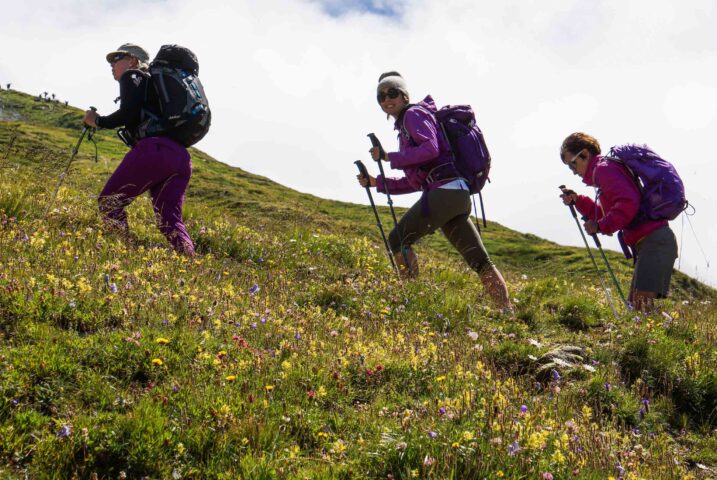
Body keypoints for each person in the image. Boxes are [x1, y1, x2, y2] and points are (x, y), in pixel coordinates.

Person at [357, 72, 512, 312]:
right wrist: (376, 182)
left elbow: (430, 149)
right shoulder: (410, 123)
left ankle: (412, 301)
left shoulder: (413, 114)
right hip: (455, 194)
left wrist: (389, 156)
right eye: (381, 96)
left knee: (398, 239)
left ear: (404, 95)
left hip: (444, 193)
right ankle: (506, 311)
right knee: (479, 259)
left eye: (392, 92)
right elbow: (415, 181)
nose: (387, 99)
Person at [83, 43, 195, 256]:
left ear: (133, 61)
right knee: (168, 218)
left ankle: (122, 254)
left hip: (154, 150)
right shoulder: (157, 87)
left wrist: (97, 120)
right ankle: (191, 264)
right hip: (180, 156)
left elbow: (128, 113)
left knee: (109, 202)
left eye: (117, 58)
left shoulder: (133, 75)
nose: (112, 64)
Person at [559, 132, 678, 312]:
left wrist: (600, 226)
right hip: (650, 243)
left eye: (572, 164)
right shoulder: (604, 171)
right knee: (637, 311)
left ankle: (672, 337)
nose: (573, 171)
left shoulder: (604, 170)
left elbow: (628, 203)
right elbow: (604, 213)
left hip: (654, 242)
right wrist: (578, 201)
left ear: (584, 154)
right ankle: (668, 335)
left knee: (641, 310)